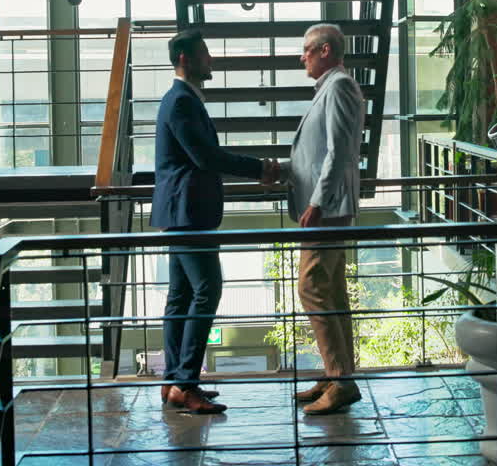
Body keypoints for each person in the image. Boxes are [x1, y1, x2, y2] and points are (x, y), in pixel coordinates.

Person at [152, 28, 279, 414]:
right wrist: (259, 168)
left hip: (182, 212)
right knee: (208, 289)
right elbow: (206, 157)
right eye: (204, 53)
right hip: (188, 213)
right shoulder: (181, 102)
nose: (211, 60)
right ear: (185, 59)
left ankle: (175, 382)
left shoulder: (182, 99)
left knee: (181, 297)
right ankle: (185, 383)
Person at [281, 23, 366, 415]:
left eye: (307, 50)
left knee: (312, 287)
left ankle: (341, 379)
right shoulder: (331, 87)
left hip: (327, 209)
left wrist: (317, 202)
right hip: (327, 207)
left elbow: (338, 151)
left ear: (325, 50)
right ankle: (338, 375)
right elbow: (319, 153)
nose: (302, 57)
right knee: (330, 291)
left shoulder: (339, 86)